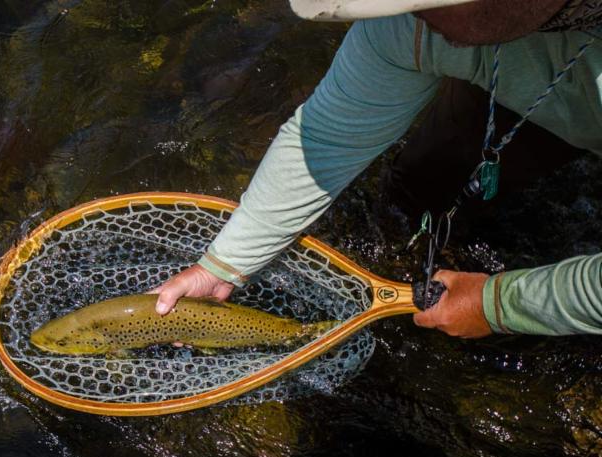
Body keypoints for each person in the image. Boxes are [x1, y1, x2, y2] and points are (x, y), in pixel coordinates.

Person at [152, 0, 602, 338]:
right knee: (422, 186)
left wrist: (497, 306)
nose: (415, 14)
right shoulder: (416, 18)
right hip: (520, 59)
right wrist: (223, 266)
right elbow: (330, 136)